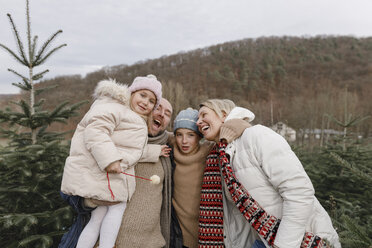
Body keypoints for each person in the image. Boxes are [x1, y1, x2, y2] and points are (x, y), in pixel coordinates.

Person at [196, 99, 341, 248]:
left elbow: (299, 192)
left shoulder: (256, 135)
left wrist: (284, 245)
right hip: (262, 242)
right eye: (197, 119)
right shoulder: (222, 155)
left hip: (301, 239)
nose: (198, 122)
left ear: (223, 114)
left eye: (203, 115)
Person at [60, 75, 170, 248]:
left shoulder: (133, 117)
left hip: (105, 171)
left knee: (99, 216)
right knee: (117, 207)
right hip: (101, 170)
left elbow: (131, 150)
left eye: (151, 101)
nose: (145, 102)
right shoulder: (116, 107)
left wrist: (154, 151)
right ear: (131, 92)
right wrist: (110, 160)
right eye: (142, 95)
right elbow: (95, 131)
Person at [114, 98, 174, 248]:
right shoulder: (118, 138)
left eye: (167, 113)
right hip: (113, 241)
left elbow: (191, 137)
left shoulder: (169, 148)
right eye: (158, 108)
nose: (161, 114)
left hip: (153, 243)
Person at [170, 108, 215, 248]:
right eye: (179, 135)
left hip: (207, 232)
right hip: (178, 236)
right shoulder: (170, 149)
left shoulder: (209, 151)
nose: (184, 141)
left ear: (200, 136)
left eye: (190, 135)